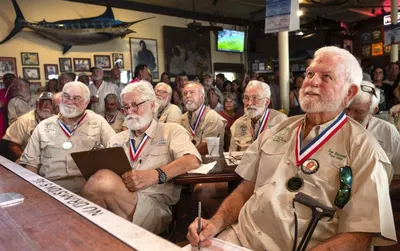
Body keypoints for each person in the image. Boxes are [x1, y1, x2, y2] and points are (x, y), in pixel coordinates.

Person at [187, 46, 396, 250]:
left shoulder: (364, 150)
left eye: (326, 77)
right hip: (240, 237)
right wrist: (215, 223)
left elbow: (360, 235)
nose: (312, 82)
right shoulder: (279, 129)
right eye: (310, 73)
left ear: (349, 93)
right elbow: (245, 189)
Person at [80, 80, 201, 234]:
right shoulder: (117, 139)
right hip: (116, 199)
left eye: (135, 105)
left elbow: (192, 160)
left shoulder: (171, 131)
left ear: (152, 104)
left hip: (153, 206)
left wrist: (155, 175)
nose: (130, 111)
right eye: (125, 107)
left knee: (102, 181)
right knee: (99, 185)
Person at [19, 81, 115, 193]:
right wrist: (34, 193)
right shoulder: (43, 126)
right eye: (66, 96)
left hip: (89, 188)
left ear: (86, 102)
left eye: (76, 98)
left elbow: (116, 151)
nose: (70, 101)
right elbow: (31, 165)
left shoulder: (98, 122)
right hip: (50, 188)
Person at [346, 81, 400, 175]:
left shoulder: (388, 132)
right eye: (347, 109)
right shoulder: (331, 127)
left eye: (359, 112)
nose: (349, 116)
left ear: (374, 110)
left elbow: (398, 175)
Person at [229, 80, 287, 152]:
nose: (249, 103)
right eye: (246, 98)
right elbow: (231, 156)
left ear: (266, 102)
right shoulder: (238, 124)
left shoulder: (281, 121)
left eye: (255, 98)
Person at [3, 92, 54, 161]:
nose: (46, 106)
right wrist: (31, 161)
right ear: (37, 104)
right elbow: (13, 147)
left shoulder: (58, 120)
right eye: (43, 102)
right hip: (28, 160)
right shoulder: (23, 121)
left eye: (50, 103)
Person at [180, 82, 226, 155]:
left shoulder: (212, 116)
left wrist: (184, 157)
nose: (188, 96)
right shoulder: (181, 119)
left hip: (208, 163)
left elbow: (206, 146)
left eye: (192, 92)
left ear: (202, 96)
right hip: (186, 162)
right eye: (185, 94)